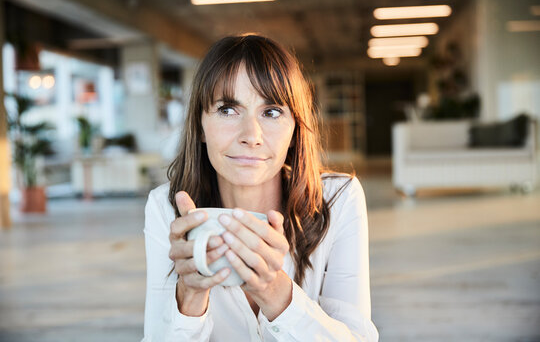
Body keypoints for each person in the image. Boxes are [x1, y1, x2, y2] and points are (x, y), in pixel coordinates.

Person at [143, 34, 379, 341]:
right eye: (228, 109)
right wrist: (188, 297)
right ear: (200, 125)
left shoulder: (338, 199)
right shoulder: (166, 208)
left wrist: (275, 292)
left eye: (271, 112)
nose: (250, 135)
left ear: (295, 128)